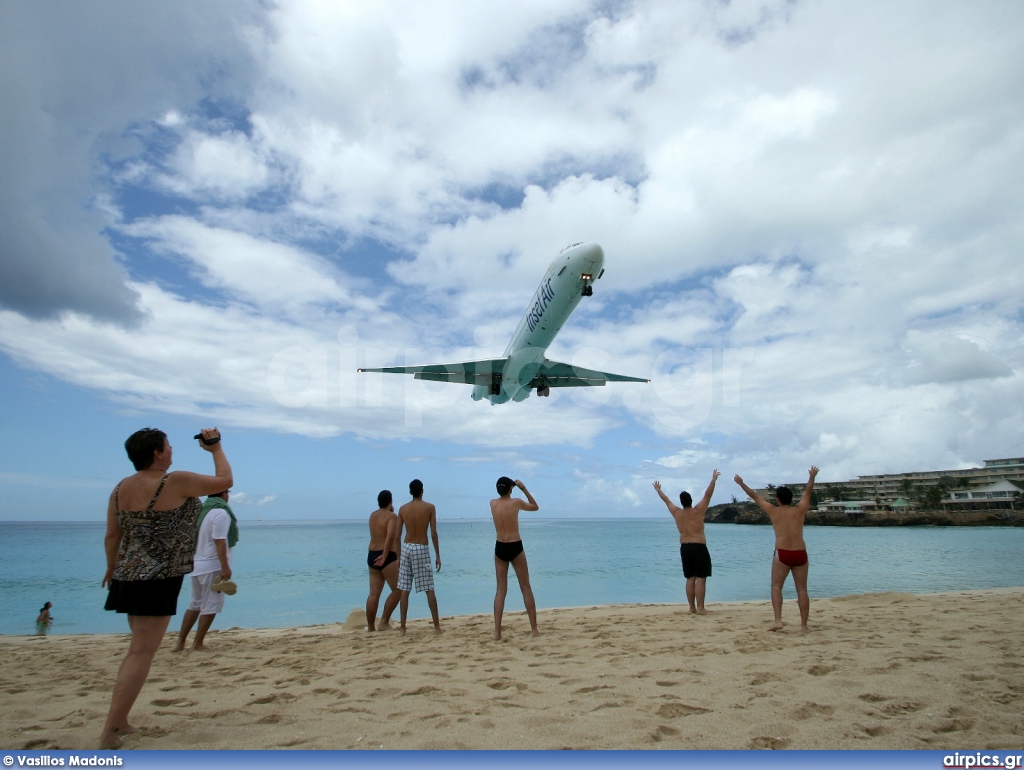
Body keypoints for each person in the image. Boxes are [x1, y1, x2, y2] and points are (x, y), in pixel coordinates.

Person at [100, 427, 232, 749]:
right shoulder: (174, 481)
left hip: (127, 575)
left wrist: (111, 567)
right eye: (168, 446)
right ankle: (109, 734)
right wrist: (215, 449)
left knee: (138, 649)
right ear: (157, 453)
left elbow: (113, 536)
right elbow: (225, 482)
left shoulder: (120, 488)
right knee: (140, 653)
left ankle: (120, 721)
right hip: (156, 579)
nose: (171, 450)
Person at [734, 466, 819, 633]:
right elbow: (808, 492)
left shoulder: (773, 511)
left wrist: (741, 484)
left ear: (778, 499)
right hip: (800, 553)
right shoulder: (800, 510)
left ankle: (778, 620)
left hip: (783, 553)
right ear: (790, 498)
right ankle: (804, 626)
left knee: (776, 586)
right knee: (802, 589)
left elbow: (755, 496)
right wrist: (812, 477)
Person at [173, 490, 239, 652]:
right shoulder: (221, 513)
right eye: (228, 492)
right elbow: (219, 541)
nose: (228, 496)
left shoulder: (202, 511)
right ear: (223, 494)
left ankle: (180, 643)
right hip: (212, 565)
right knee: (211, 604)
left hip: (196, 564)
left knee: (195, 603)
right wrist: (225, 566)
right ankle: (197, 643)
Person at [653, 469, 720, 615]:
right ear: (691, 500)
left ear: (681, 502)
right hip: (699, 547)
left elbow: (667, 501)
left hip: (685, 548)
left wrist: (658, 490)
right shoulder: (698, 511)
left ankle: (692, 608)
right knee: (701, 578)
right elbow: (708, 495)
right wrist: (713, 480)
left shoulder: (677, 513)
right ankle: (701, 608)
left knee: (690, 578)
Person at [489, 476, 540, 640]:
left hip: (500, 547)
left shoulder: (493, 503)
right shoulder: (516, 502)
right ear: (510, 489)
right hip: (515, 545)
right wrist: (523, 488)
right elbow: (535, 507)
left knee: (501, 590)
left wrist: (510, 487)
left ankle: (497, 632)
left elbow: (503, 494)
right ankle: (534, 630)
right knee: (525, 587)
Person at [395, 479, 441, 635]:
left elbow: (397, 535)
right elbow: (433, 533)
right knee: (429, 588)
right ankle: (436, 627)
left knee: (404, 589)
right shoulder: (430, 508)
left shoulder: (402, 509)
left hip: (407, 547)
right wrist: (438, 555)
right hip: (421, 548)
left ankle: (402, 628)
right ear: (422, 491)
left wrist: (398, 556)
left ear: (410, 492)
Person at [365, 489, 401, 631]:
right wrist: (385, 555)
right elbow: (390, 536)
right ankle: (384, 621)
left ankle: (370, 627)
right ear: (390, 501)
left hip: (372, 554)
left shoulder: (372, 515)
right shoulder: (392, 516)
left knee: (374, 594)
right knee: (398, 590)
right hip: (386, 556)